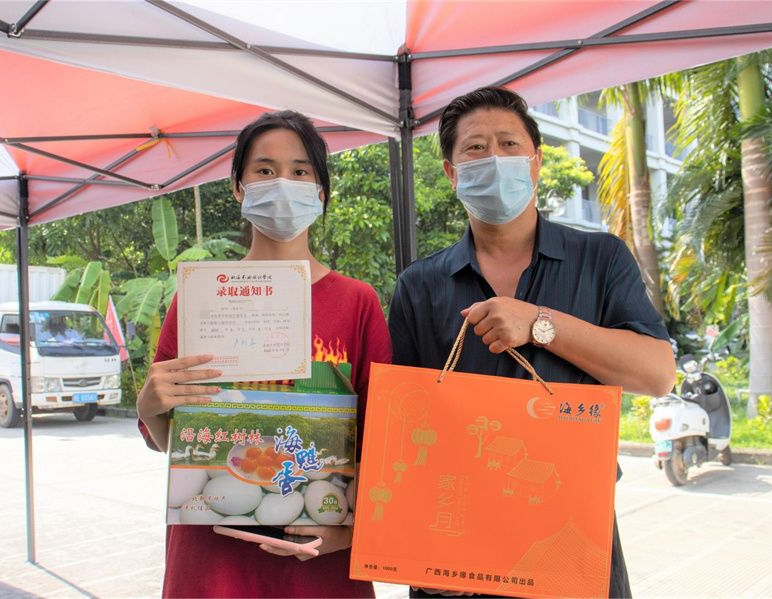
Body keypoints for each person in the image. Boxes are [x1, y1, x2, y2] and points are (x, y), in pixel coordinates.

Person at [388, 87, 676, 599]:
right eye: (476, 148)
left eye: (509, 144)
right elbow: (401, 423)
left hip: (571, 540)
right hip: (455, 549)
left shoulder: (600, 259)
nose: (494, 158)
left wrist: (541, 323)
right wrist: (416, 541)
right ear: (452, 173)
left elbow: (657, 374)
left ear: (536, 162)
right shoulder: (420, 284)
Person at [136, 110, 391, 598]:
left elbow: (382, 442)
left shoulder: (357, 302)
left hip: (319, 567)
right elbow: (180, 444)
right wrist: (150, 407)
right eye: (265, 170)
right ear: (239, 188)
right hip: (212, 570)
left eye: (300, 171)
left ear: (321, 191)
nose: (283, 184)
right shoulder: (199, 297)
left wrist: (353, 532)